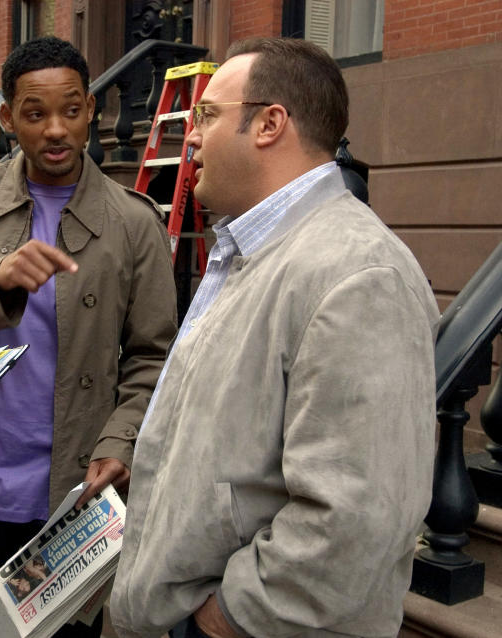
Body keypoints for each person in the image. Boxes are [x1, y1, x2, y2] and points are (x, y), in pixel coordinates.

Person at [109, 37, 439, 638]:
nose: (191, 134)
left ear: (269, 123)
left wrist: (225, 618)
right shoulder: (253, 249)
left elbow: (354, 517)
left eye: (206, 115)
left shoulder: (360, 274)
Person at [0, 36, 177, 638]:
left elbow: (154, 357)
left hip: (69, 501)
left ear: (91, 109)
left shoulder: (133, 222)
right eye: (36, 114)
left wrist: (122, 440)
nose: (55, 131)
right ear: (7, 118)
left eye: (71, 110)